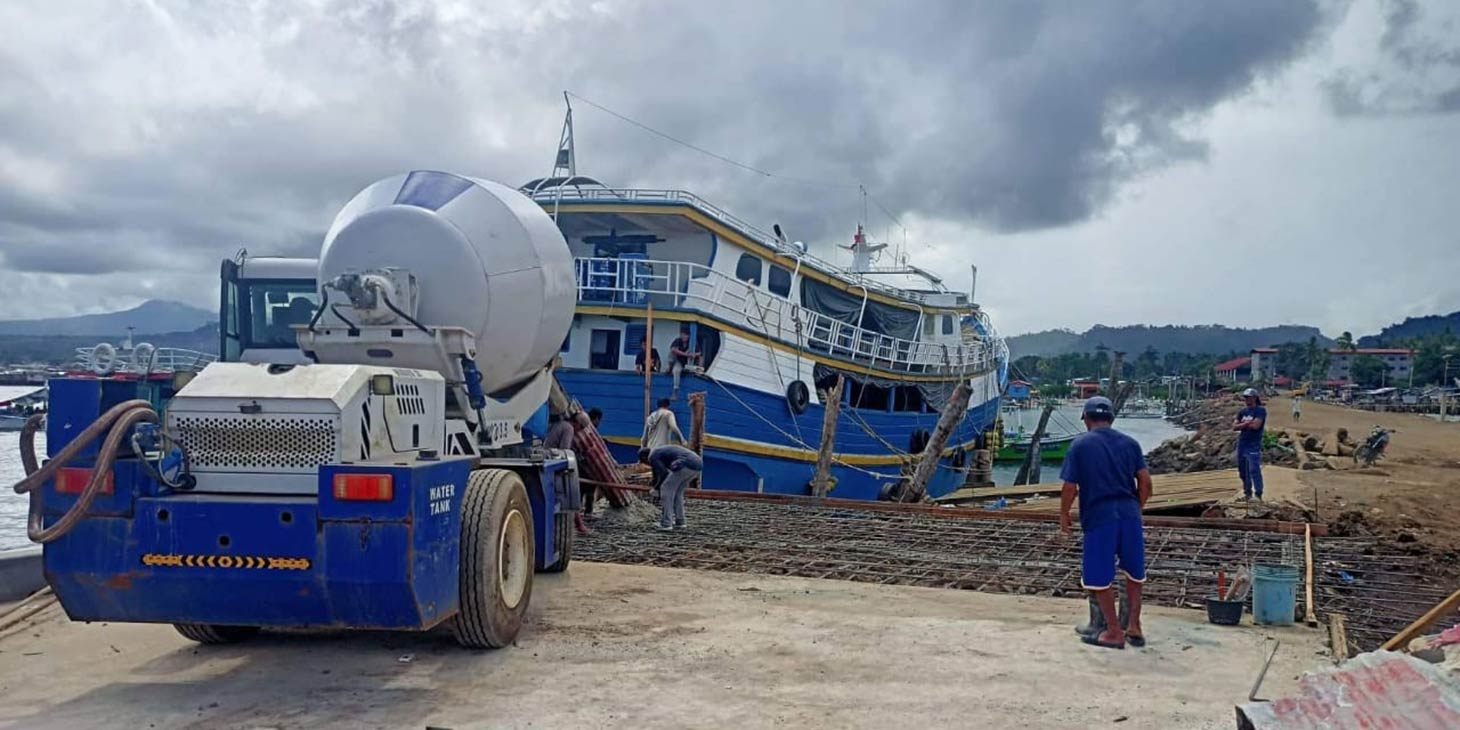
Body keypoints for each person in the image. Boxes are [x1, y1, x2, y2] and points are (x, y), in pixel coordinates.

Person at [1059, 396, 1152, 650]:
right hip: (1129, 514)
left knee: (1099, 577)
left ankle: (1112, 632)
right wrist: (1136, 508)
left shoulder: (1080, 445)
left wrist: (1064, 515)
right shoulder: (1131, 444)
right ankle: (1134, 626)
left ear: (1086, 419)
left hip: (1100, 516)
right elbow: (1145, 483)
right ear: (1111, 418)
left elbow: (1070, 487)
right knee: (1134, 573)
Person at [543, 413, 589, 534]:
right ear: (578, 423)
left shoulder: (560, 424)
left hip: (546, 457)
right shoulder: (569, 428)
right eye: (582, 427)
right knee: (570, 491)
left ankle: (579, 524)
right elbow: (565, 451)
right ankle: (579, 525)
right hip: (552, 460)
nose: (580, 431)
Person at [640, 444, 702, 531]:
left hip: (685, 463)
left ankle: (666, 523)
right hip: (697, 464)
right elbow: (657, 474)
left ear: (645, 458)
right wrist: (656, 484)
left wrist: (656, 488)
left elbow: (663, 473)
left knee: (666, 489)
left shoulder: (652, 456)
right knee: (677, 493)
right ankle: (680, 521)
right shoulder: (660, 452)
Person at [1233, 388, 1267, 501]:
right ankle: (1247, 493)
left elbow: (1256, 426)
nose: (1247, 400)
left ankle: (1258, 494)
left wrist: (1243, 424)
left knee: (1254, 469)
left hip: (1253, 444)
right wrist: (1248, 423)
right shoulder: (1242, 412)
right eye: (1245, 397)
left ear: (1254, 398)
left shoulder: (1260, 410)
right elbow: (1234, 427)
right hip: (1242, 444)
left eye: (1249, 397)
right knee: (1243, 471)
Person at [668, 326, 700, 399]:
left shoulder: (692, 342)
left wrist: (694, 355)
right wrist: (686, 355)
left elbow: (699, 353)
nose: (683, 336)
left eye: (685, 335)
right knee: (676, 371)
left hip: (689, 363)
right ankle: (675, 392)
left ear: (688, 336)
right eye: (682, 334)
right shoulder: (678, 340)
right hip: (679, 362)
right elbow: (673, 349)